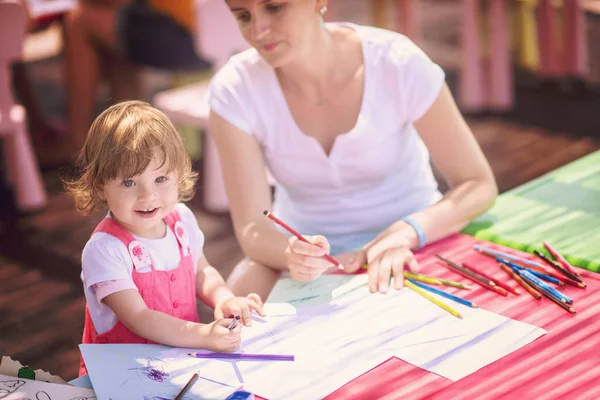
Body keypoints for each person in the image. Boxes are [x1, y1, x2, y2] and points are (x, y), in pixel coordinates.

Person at [207, 0, 498, 299]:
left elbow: (477, 184)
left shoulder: (397, 62)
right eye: (242, 16)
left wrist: (408, 232)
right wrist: (293, 254)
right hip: (303, 257)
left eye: (275, 7)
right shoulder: (235, 88)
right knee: (237, 307)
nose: (258, 30)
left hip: (414, 237)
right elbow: (253, 228)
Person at [64, 101, 264, 376]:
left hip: (179, 362)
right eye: (129, 183)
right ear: (99, 188)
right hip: (123, 375)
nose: (148, 196)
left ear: (178, 175)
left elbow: (201, 270)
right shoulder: (105, 249)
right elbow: (139, 318)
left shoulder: (181, 220)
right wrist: (205, 335)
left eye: (160, 179)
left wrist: (224, 298)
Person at [44, 0, 209, 166]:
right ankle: (127, 143)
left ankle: (76, 141)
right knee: (120, 29)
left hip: (194, 35)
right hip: (224, 31)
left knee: (80, 20)